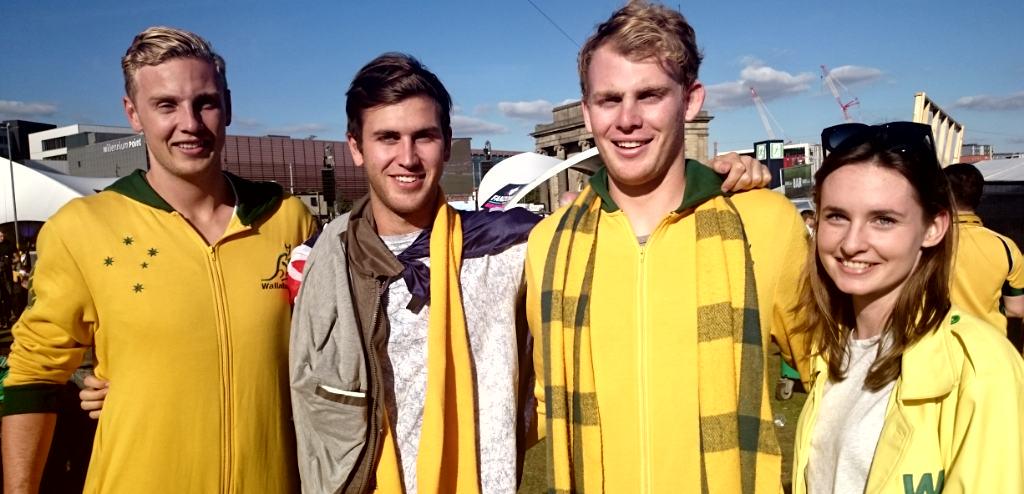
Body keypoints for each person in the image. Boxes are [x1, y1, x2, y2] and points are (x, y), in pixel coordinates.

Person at [287, 53, 770, 494]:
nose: (408, 158)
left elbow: (626, 219)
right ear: (355, 147)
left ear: (447, 144)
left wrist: (714, 175)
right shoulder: (320, 266)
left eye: (424, 136)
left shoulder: (513, 246)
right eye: (387, 138)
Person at [1, 26, 315, 493]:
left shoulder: (288, 220)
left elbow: (324, 353)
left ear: (226, 104)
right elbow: (32, 373)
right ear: (133, 114)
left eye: (205, 102)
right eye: (165, 105)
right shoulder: (82, 227)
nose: (189, 123)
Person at [524, 2, 809, 492]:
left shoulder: (765, 224)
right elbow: (547, 403)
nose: (627, 120)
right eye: (609, 99)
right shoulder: (548, 243)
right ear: (588, 111)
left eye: (650, 95)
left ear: (690, 100)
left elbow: (835, 379)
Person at [791, 122, 1024, 493]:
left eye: (883, 220)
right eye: (837, 216)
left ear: (934, 227)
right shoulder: (829, 348)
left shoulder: (984, 368)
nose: (852, 243)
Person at [945, 162, 1024, 332]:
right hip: (991, 346)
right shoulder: (1007, 247)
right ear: (980, 199)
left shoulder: (921, 243)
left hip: (935, 349)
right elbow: (1016, 311)